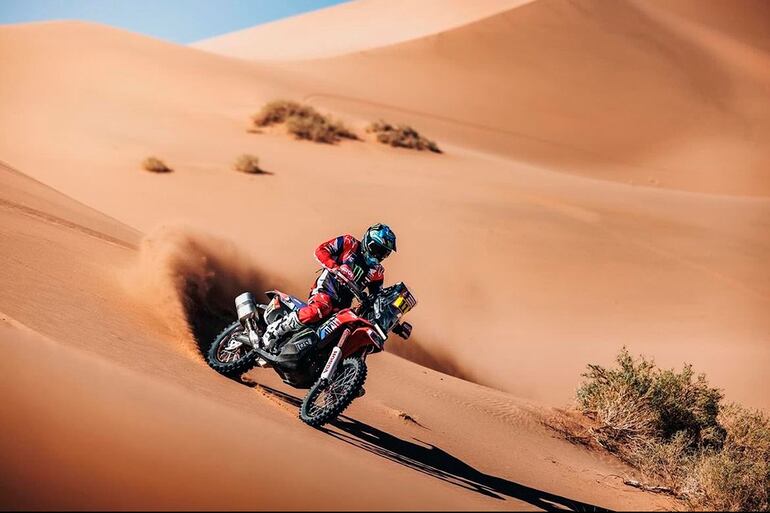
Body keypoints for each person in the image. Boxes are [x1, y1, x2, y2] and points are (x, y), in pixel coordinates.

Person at [261, 223, 397, 349]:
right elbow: (321, 250)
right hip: (325, 289)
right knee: (321, 308)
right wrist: (335, 267)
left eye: (384, 253)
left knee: (342, 332)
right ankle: (276, 330)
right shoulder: (349, 242)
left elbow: (377, 298)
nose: (378, 255)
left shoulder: (377, 272)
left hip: (343, 305)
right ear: (368, 241)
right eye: (377, 249)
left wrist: (392, 319)